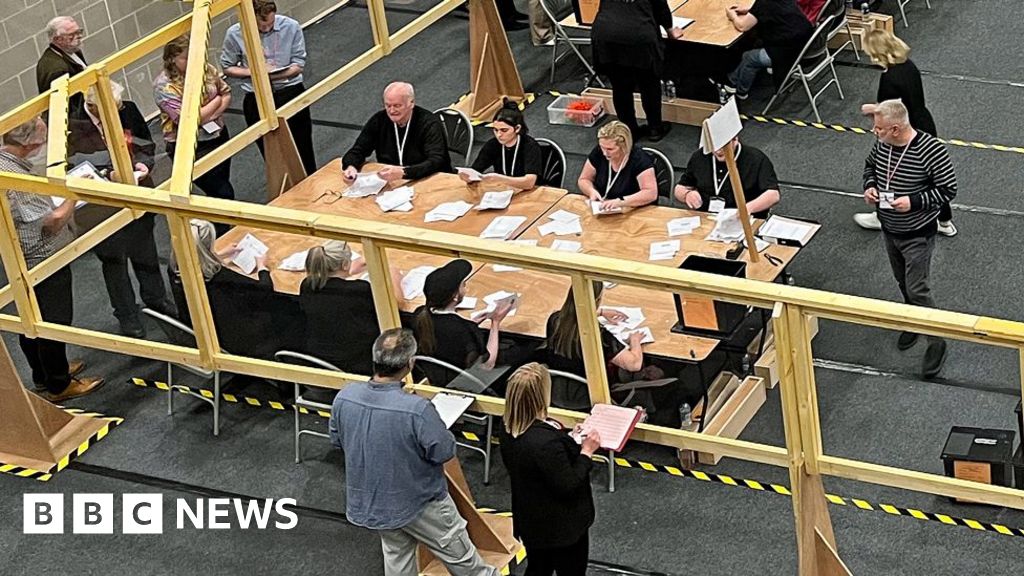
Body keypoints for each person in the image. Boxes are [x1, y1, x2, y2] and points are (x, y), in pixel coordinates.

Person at [329, 328, 499, 576]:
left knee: (398, 561)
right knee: (467, 564)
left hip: (377, 503)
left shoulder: (345, 397)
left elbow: (338, 440)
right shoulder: (416, 410)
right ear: (410, 364)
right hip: (421, 503)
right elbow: (443, 451)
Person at [1, 117, 104, 401]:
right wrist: (75, 193)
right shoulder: (15, 178)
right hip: (42, 259)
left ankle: (44, 373)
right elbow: (53, 222)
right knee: (52, 320)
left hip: (23, 257)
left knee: (30, 318)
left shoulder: (5, 163)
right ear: (30, 143)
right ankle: (59, 383)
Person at [69, 81, 175, 337]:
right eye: (109, 109)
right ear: (93, 106)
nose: (116, 113)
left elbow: (145, 142)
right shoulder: (72, 126)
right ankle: (128, 316)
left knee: (146, 250)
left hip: (136, 193)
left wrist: (142, 165)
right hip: (102, 207)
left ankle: (157, 300)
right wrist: (108, 174)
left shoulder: (126, 108)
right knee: (115, 264)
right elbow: (73, 165)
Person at [862, 100, 956, 379]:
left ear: (894, 128)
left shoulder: (932, 150)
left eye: (878, 129)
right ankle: (914, 320)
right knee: (902, 281)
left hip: (917, 233)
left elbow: (947, 190)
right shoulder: (882, 145)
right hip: (890, 229)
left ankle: (937, 340)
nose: (874, 132)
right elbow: (870, 167)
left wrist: (914, 202)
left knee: (918, 289)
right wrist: (870, 187)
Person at [498, 363, 600, 576]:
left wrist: (568, 439)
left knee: (538, 568)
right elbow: (569, 483)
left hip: (531, 520)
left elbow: (540, 463)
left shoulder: (508, 427)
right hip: (562, 528)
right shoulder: (545, 443)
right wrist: (587, 452)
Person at [853, 29, 955, 236]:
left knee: (890, 172)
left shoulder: (889, 77)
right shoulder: (908, 65)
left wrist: (871, 109)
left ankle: (884, 213)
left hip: (903, 129)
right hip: (924, 122)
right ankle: (945, 221)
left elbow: (888, 111)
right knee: (931, 176)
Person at [170, 220, 302, 360]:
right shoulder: (222, 279)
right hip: (239, 341)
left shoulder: (175, 271)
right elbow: (264, 292)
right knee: (292, 309)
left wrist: (219, 256)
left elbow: (198, 261)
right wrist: (262, 267)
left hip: (203, 331)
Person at [221, 0, 317, 176]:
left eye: (270, 24)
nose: (266, 29)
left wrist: (272, 75)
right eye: (260, 25)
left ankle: (310, 186)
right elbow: (227, 66)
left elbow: (298, 65)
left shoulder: (291, 26)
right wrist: (254, 72)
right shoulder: (235, 33)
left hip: (289, 91)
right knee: (271, 152)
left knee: (302, 146)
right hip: (256, 97)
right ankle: (285, 190)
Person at [154, 35, 236, 206]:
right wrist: (216, 102)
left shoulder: (206, 69)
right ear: (172, 59)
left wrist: (211, 114)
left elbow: (226, 93)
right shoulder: (163, 86)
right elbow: (188, 120)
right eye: (186, 58)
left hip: (217, 133)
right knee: (221, 192)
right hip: (190, 145)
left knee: (222, 183)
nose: (193, 61)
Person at [412, 259, 517, 390]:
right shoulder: (464, 329)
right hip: (463, 384)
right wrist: (495, 322)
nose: (465, 287)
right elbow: (487, 365)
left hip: (438, 377)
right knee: (521, 350)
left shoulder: (419, 315)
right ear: (455, 296)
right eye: (463, 285)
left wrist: (471, 323)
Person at [591, 0, 683, 141]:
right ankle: (655, 128)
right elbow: (660, 8)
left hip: (606, 33)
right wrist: (670, 30)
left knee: (620, 86)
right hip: (639, 35)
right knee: (649, 84)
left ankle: (628, 132)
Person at [341, 82, 452, 183]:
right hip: (393, 181)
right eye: (388, 105)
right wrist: (351, 166)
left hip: (428, 179)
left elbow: (437, 161)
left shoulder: (429, 123)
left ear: (411, 103)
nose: (392, 111)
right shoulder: (379, 120)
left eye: (397, 106)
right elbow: (358, 149)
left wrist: (405, 172)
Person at [298, 241, 379, 375]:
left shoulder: (308, 285)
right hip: (356, 364)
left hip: (318, 359)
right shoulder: (360, 289)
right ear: (346, 264)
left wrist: (350, 274)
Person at [546, 281, 644, 385]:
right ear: (597, 300)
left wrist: (600, 312)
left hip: (557, 387)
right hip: (589, 392)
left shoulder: (555, 320)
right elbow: (634, 364)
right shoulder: (598, 336)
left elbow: (573, 314)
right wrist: (635, 340)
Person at [673, 137, 781, 219]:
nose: (719, 151)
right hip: (707, 218)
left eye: (723, 145)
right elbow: (680, 188)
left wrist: (747, 209)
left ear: (735, 140)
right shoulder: (700, 156)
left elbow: (773, 195)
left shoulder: (756, 159)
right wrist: (687, 195)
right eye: (715, 145)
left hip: (744, 219)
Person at [724, 0, 814, 99]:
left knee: (749, 57)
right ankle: (732, 81)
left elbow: (742, 26)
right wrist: (749, 10)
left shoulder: (763, 3)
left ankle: (741, 92)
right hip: (806, 44)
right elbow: (770, 8)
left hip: (788, 52)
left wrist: (732, 16)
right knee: (754, 46)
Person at [577, 121, 658, 211]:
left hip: (634, 209)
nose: (604, 153)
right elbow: (584, 179)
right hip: (605, 206)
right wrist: (591, 191)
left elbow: (651, 193)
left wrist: (621, 201)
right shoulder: (598, 152)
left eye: (610, 149)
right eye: (602, 147)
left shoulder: (640, 160)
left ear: (624, 146)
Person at [461, 101, 542, 190]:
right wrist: (468, 176)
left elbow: (529, 183)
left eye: (504, 130)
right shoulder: (492, 145)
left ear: (517, 128)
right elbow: (476, 170)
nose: (499, 135)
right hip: (504, 190)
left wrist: (501, 179)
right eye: (495, 130)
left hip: (531, 192)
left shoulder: (530, 146)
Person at [36, 16, 88, 117]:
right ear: (58, 39)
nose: (79, 36)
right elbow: (65, 107)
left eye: (79, 31)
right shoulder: (56, 69)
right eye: (72, 34)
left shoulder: (73, 50)